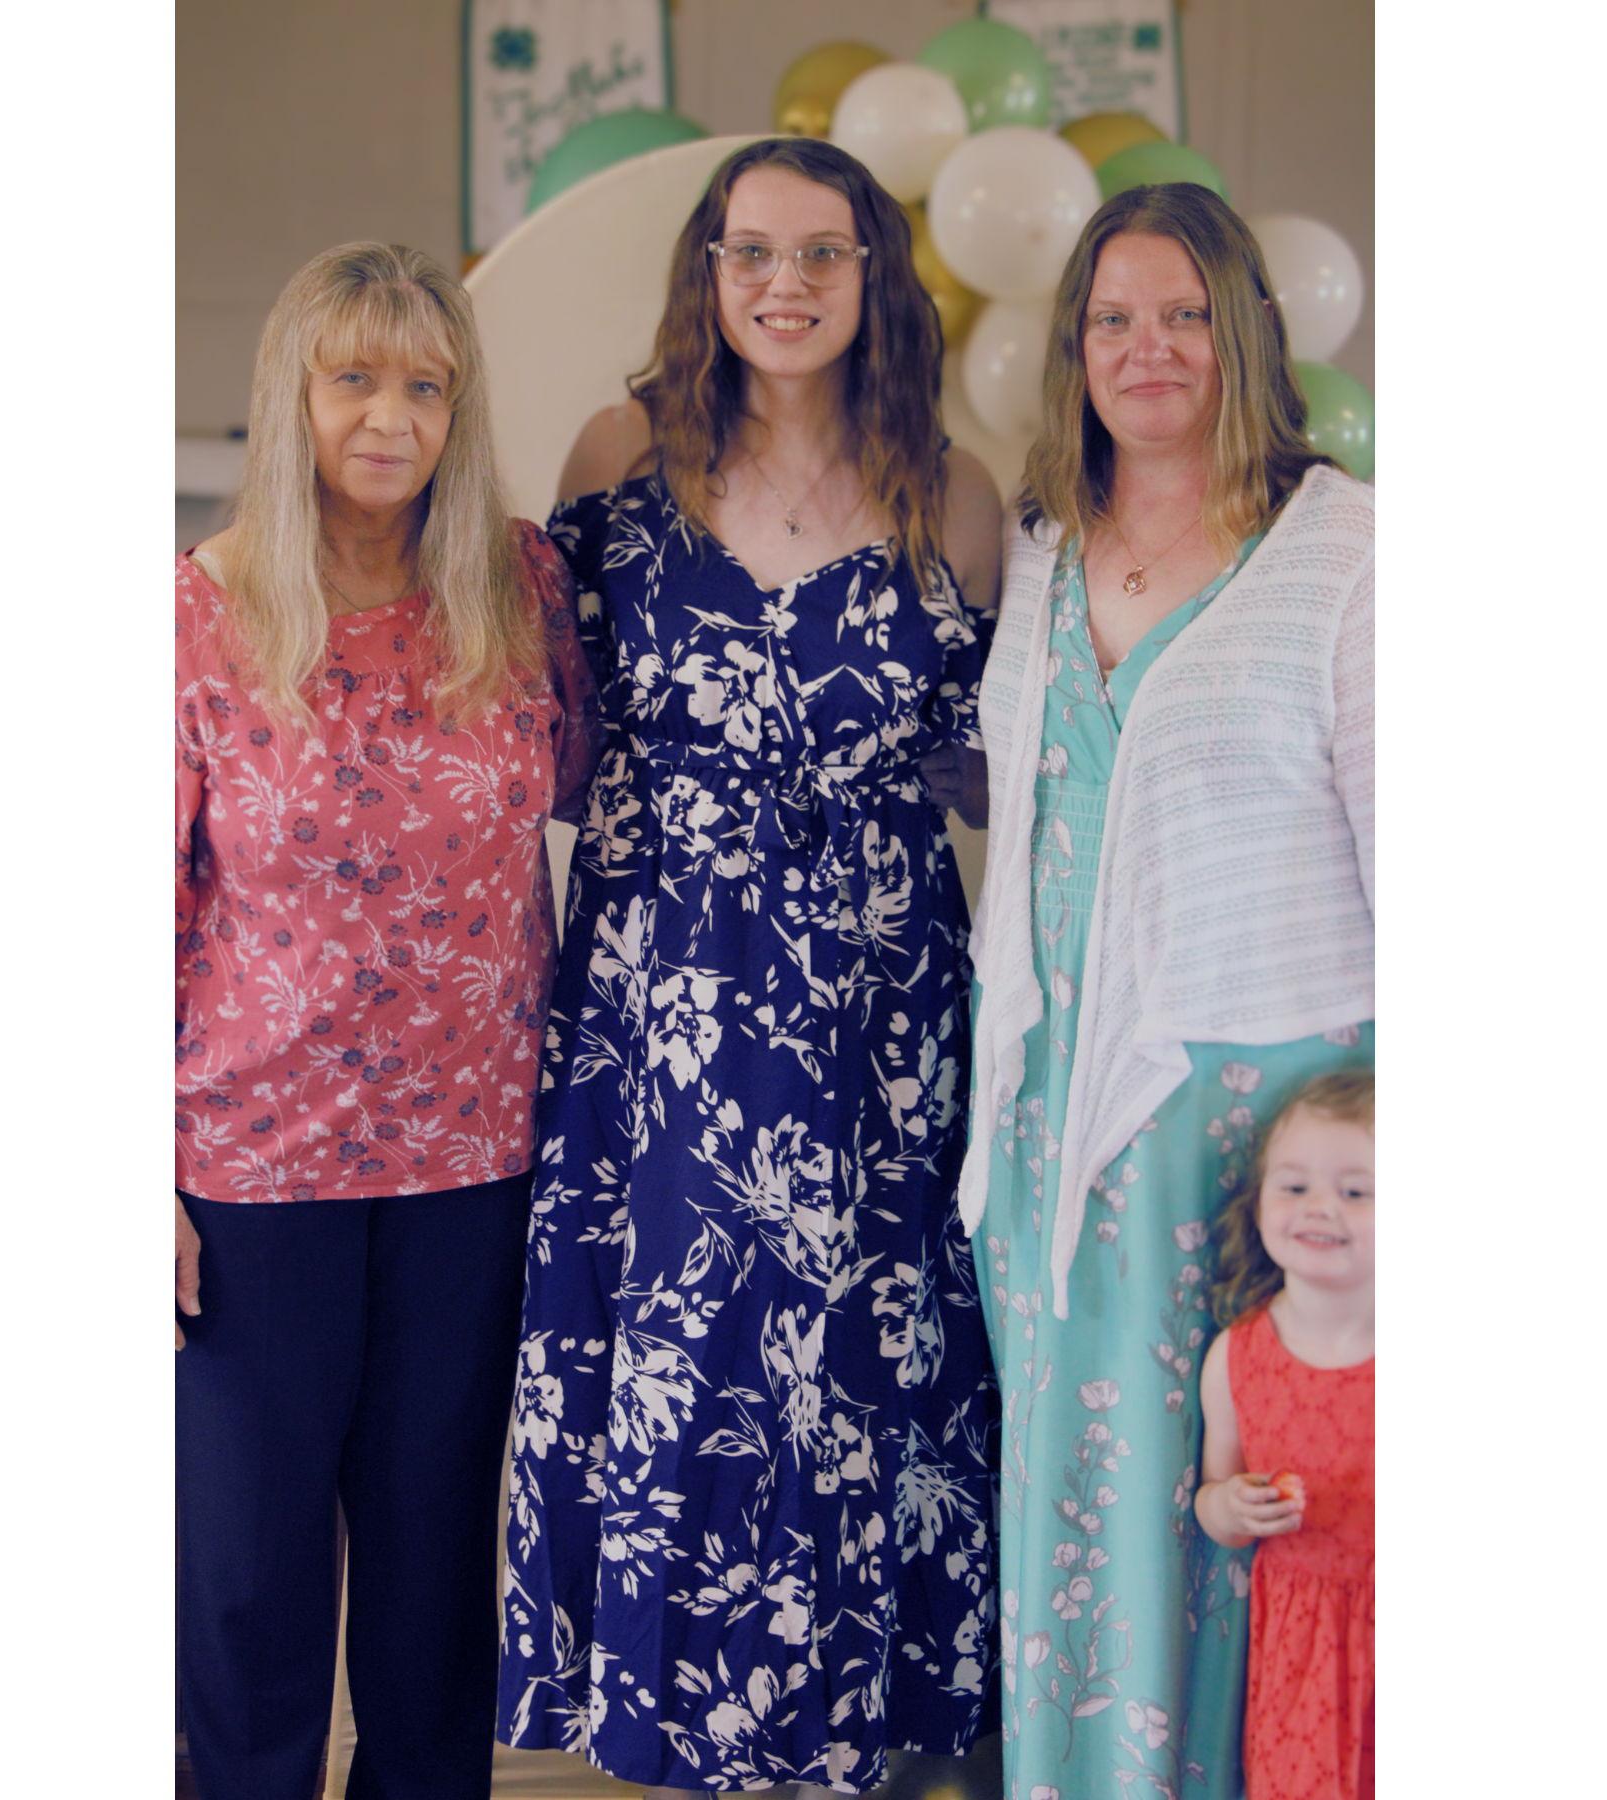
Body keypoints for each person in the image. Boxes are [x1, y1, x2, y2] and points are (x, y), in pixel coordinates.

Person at [496, 137, 1003, 1796]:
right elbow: (539, 728)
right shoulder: (620, 454)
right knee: (680, 1357)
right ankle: (667, 1722)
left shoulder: (958, 491)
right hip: (661, 996)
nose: (784, 286)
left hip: (882, 1008)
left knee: (863, 1358)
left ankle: (864, 1723)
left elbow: (1011, 766)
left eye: (824, 255)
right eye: (751, 253)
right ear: (708, 273)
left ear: (879, 280)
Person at [957, 182, 1374, 1800]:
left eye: (1187, 312)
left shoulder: (1339, 548)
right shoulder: (1045, 554)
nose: (1151, 347)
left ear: (1245, 335)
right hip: (1057, 1117)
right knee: (1079, 1503)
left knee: (1256, 1501)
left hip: (1265, 1131)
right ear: (1074, 348)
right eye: (1115, 317)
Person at [174, 241, 599, 1800]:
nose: (391, 417)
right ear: (296, 390)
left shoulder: (521, 581)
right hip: (252, 1175)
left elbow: (588, 790)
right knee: (248, 1583)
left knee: (431, 1583)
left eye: (426, 385)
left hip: (472, 1163)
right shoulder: (198, 614)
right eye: (356, 377)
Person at [1196, 1072, 1375, 1800]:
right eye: (1293, 1186)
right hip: (1301, 1667)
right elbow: (1214, 1497)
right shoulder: (1238, 1355)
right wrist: (1232, 1508)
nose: (1320, 1207)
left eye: (1358, 1191)